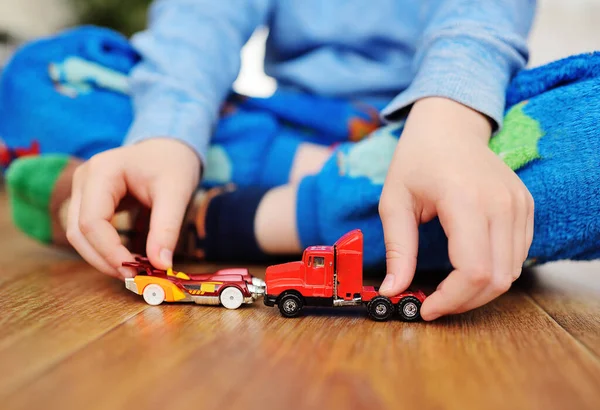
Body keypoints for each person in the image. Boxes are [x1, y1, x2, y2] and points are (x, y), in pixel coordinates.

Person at [4, 0, 600, 321]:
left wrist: (449, 118)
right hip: (286, 127)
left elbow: (479, 19)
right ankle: (354, 187)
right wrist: (166, 135)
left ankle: (240, 217)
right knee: (41, 73)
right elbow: (197, 22)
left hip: (447, 123)